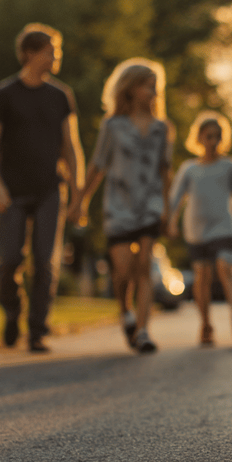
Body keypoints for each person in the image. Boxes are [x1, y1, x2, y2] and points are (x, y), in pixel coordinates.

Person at [0, 23, 84, 353]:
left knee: (45, 262)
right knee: (9, 259)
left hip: (50, 190)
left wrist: (78, 194)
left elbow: (71, 146)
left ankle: (38, 330)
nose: (56, 57)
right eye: (51, 51)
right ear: (30, 53)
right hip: (11, 189)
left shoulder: (60, 96)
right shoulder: (3, 95)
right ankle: (13, 311)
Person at [72, 58, 172, 354]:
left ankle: (143, 330)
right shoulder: (112, 126)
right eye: (147, 86)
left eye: (155, 87)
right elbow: (97, 165)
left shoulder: (162, 129)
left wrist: (168, 210)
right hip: (119, 206)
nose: (153, 92)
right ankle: (125, 311)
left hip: (150, 204)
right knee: (123, 269)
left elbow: (165, 171)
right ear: (130, 89)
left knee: (145, 267)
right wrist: (81, 200)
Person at [167, 112, 232, 346]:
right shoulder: (189, 169)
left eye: (218, 136)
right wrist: (170, 222)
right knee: (202, 276)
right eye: (209, 136)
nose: (213, 141)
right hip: (196, 230)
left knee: (226, 267)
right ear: (199, 138)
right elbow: (175, 198)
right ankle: (206, 325)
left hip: (223, 227)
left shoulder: (229, 166)